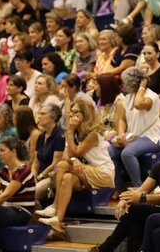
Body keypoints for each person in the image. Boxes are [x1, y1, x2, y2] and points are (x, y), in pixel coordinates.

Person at [77, 125, 160, 252]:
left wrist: (140, 198)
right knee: (135, 225)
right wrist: (125, 199)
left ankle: (105, 249)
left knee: (135, 210)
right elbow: (142, 189)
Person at [36, 99, 114, 237]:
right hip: (85, 171)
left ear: (85, 114)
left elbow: (76, 152)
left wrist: (71, 134)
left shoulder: (92, 134)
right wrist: (73, 159)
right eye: (71, 112)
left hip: (103, 173)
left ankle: (55, 206)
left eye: (76, 112)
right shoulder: (73, 134)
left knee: (62, 166)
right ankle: (58, 219)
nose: (72, 115)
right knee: (67, 177)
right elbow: (67, 156)